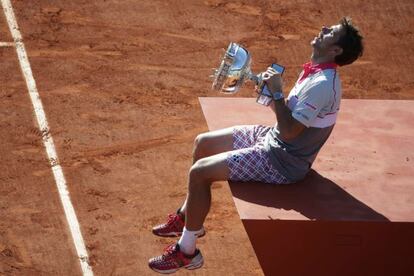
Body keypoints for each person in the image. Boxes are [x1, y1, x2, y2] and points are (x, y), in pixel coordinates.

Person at [148, 17, 364, 274]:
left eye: (331, 32)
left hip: (282, 161)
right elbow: (287, 120)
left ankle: (187, 251)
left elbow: (291, 132)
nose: (324, 29)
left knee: (199, 172)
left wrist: (277, 93)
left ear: (336, 50)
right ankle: (187, 217)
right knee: (203, 143)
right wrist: (268, 93)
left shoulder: (321, 85)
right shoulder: (315, 72)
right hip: (273, 139)